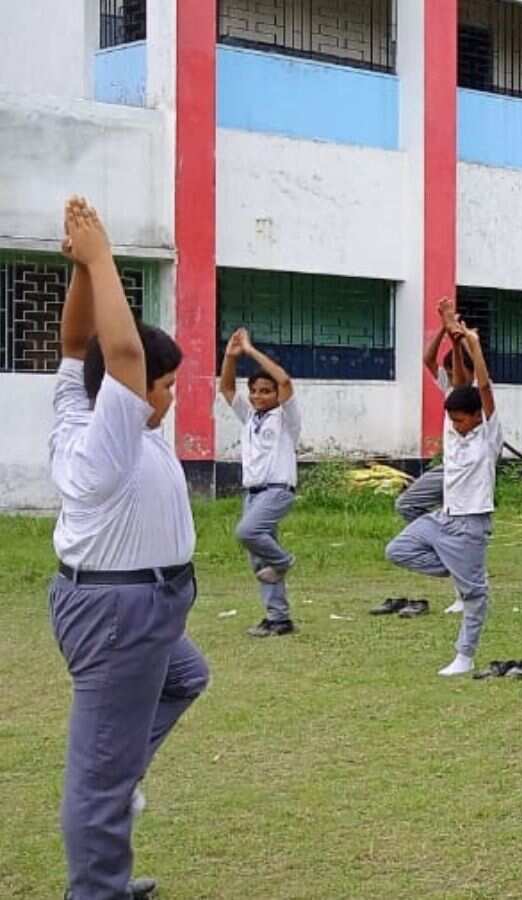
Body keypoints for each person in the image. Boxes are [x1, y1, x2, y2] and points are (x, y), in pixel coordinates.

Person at [49, 197, 208, 899]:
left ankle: (115, 777)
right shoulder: (110, 436)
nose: (169, 397)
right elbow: (120, 353)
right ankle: (97, 886)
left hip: (147, 604)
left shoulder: (79, 407)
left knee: (185, 678)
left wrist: (83, 274)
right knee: (97, 780)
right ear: (132, 392)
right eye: (165, 386)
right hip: (121, 612)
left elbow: (77, 345)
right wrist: (103, 255)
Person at [385, 325, 502, 676]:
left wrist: (473, 345)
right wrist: (451, 333)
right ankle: (463, 571)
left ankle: (464, 656)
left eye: (461, 419)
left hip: (471, 523)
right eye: (452, 419)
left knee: (474, 598)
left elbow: (483, 388)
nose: (455, 424)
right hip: (443, 518)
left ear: (477, 416)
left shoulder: (488, 436)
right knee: (397, 550)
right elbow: (456, 384)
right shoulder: (453, 430)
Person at [386, 298, 475, 615]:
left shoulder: (473, 393)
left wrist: (458, 338)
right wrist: (442, 329)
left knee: (457, 529)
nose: (449, 375)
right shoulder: (450, 386)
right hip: (448, 467)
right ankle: (447, 554)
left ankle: (464, 588)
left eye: (453, 370)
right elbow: (427, 360)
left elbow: (463, 376)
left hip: (467, 473)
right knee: (408, 504)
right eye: (447, 371)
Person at [220, 327, 302, 637]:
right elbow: (227, 388)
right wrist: (231, 356)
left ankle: (284, 561)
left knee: (247, 532)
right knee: (260, 560)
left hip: (277, 491)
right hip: (253, 494)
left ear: (276, 395)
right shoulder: (250, 417)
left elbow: (284, 380)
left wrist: (250, 350)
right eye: (254, 391)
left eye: (265, 391)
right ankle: (278, 618)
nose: (258, 396)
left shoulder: (285, 418)